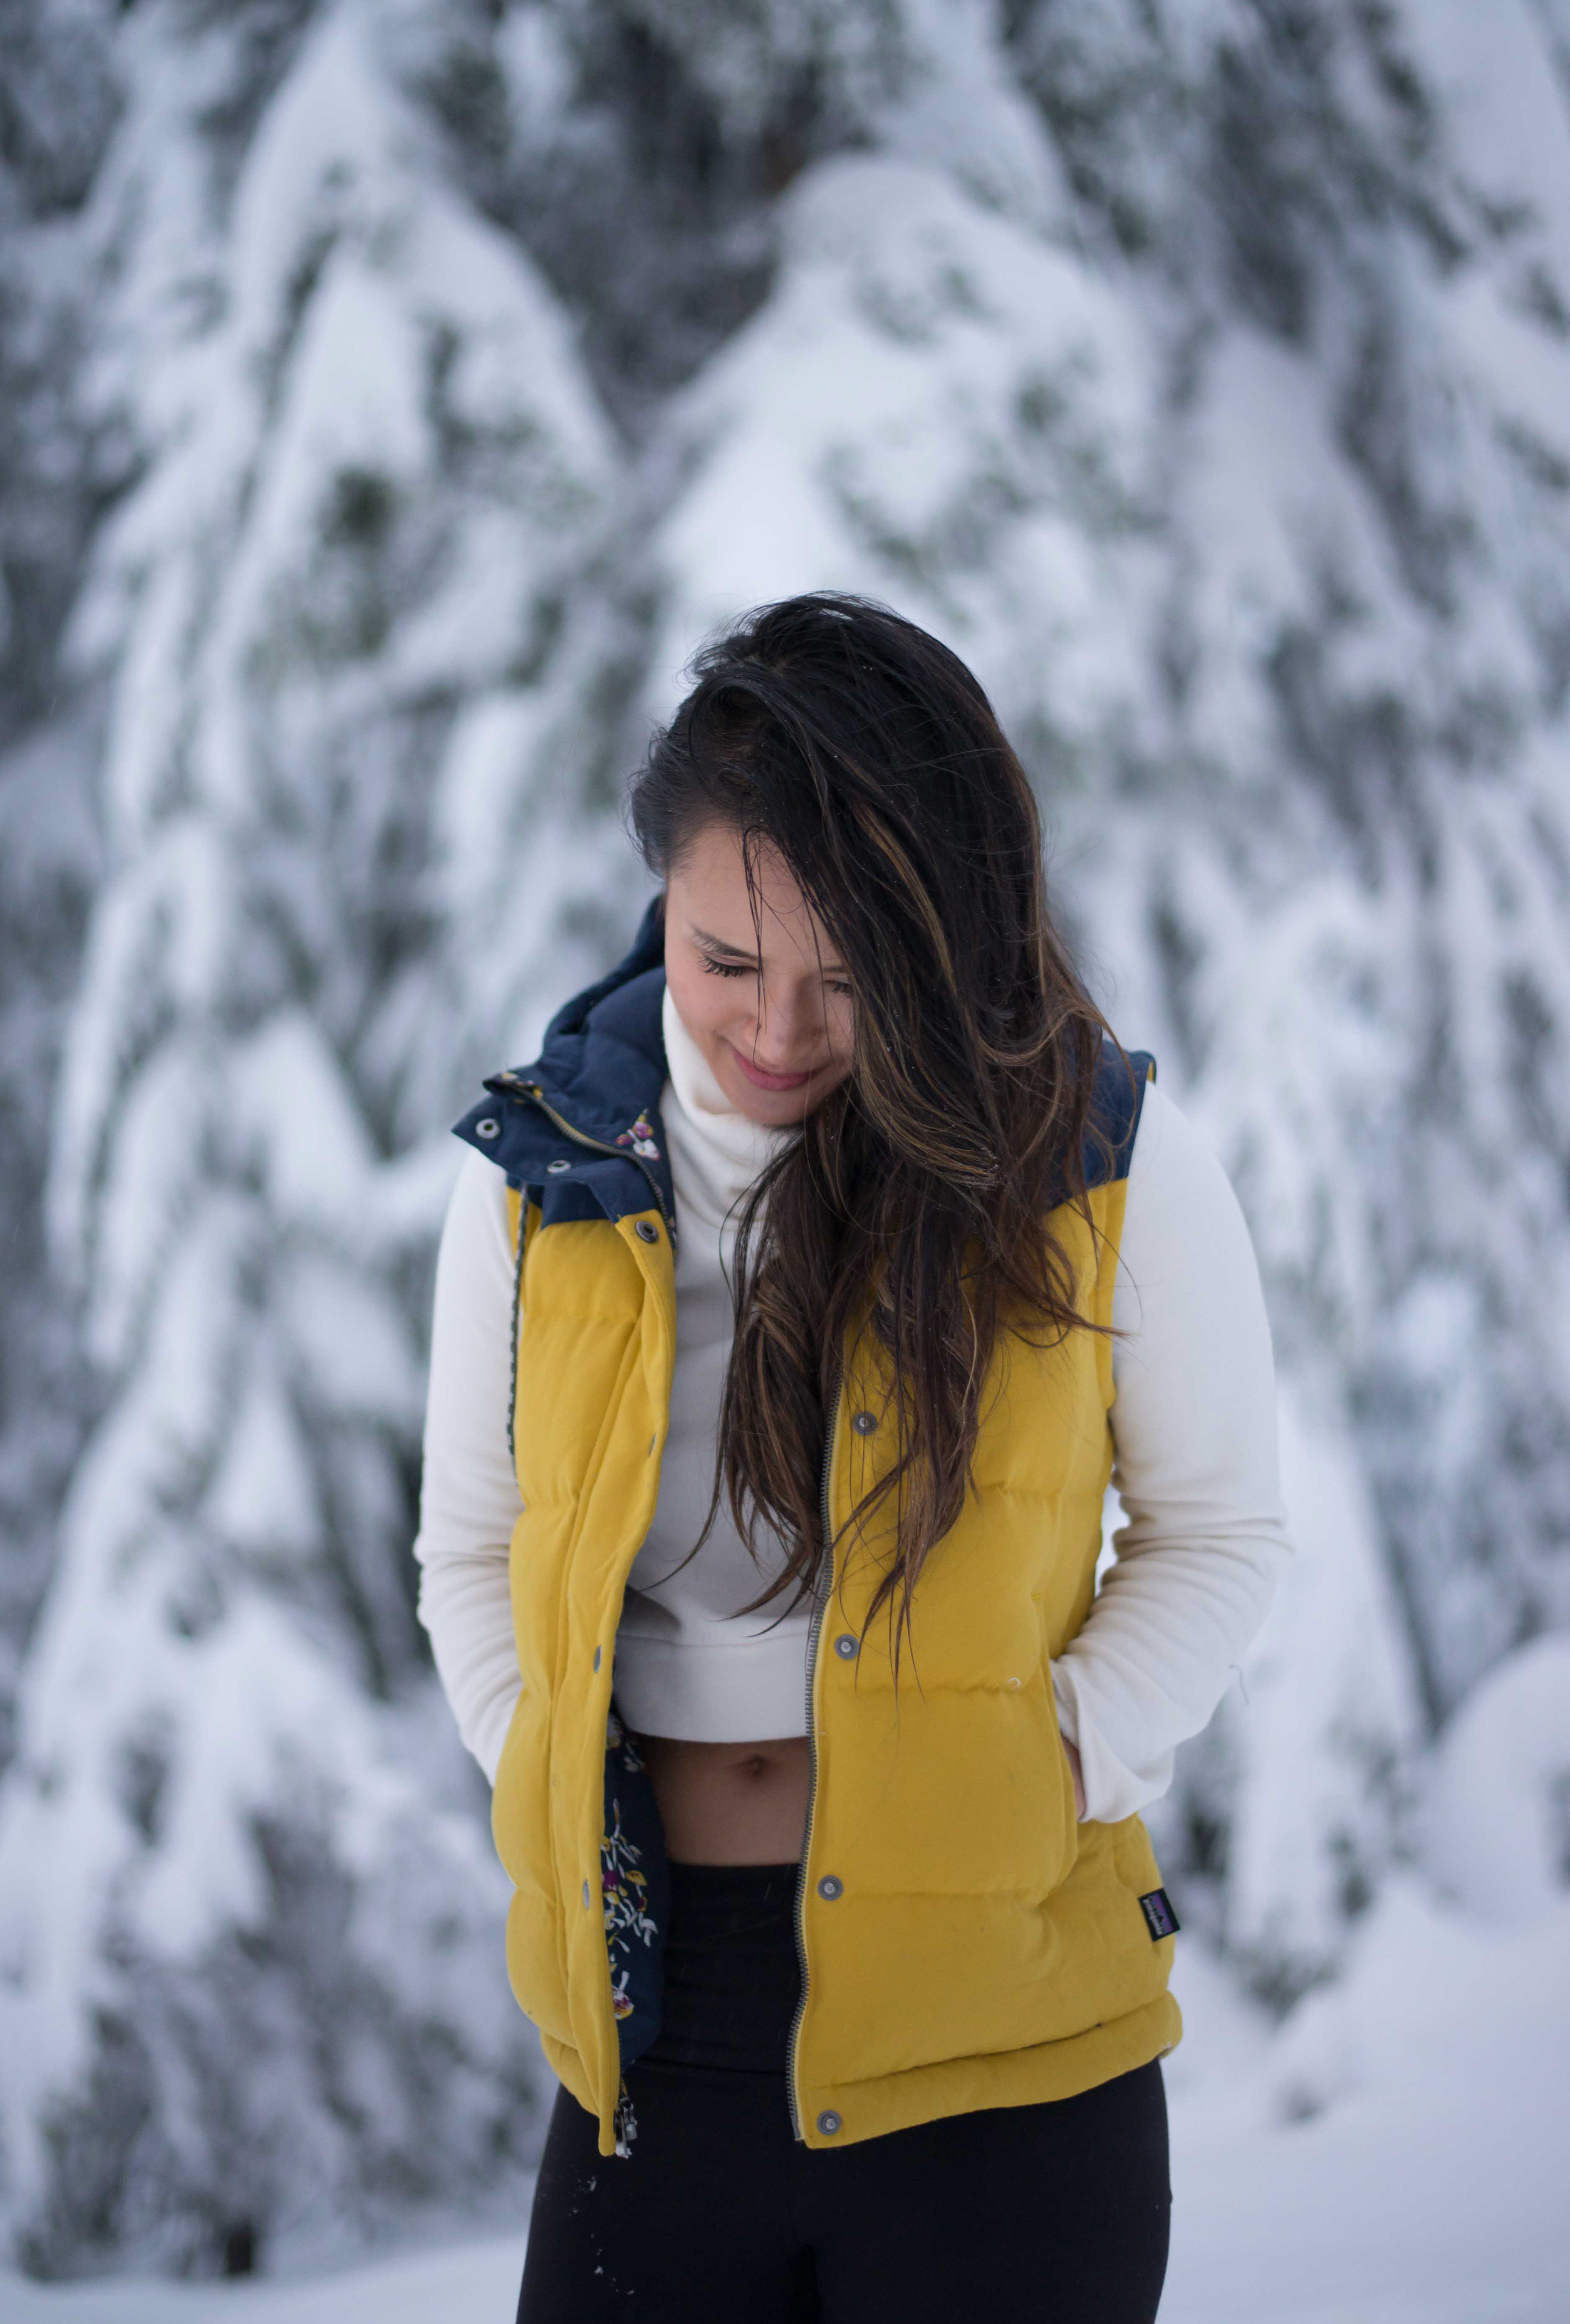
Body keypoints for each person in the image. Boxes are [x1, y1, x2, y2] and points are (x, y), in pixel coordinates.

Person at [415, 594, 1290, 2321]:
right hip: (649, 2044)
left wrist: (1049, 1760)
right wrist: (541, 1770)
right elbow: (468, 1546)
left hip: (1006, 2058)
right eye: (725, 959)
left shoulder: (1087, 1155)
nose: (777, 1029)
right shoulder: (542, 1170)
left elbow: (1218, 1533)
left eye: (846, 978)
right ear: (661, 891)